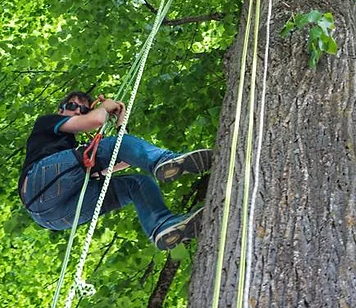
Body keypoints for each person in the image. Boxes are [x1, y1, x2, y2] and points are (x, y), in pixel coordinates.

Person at [18, 91, 213, 250]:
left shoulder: (71, 155)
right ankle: (164, 160)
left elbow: (121, 159)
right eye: (72, 106)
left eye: (84, 109)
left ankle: (162, 225)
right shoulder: (47, 123)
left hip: (54, 218)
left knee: (137, 184)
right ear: (60, 110)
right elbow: (93, 122)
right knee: (103, 148)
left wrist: (121, 123)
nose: (78, 111)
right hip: (39, 181)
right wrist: (103, 108)